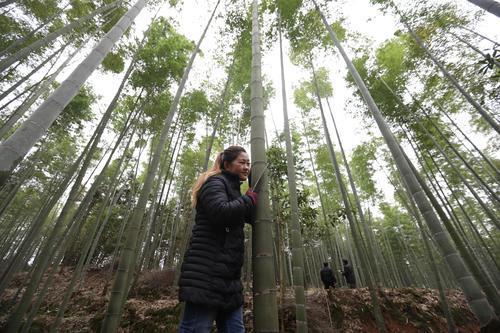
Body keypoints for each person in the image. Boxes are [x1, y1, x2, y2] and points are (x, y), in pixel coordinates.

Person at [178, 146, 258, 333]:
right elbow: (221, 212)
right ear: (227, 164)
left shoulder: (233, 189)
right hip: (206, 275)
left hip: (229, 279)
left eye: (248, 163)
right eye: (242, 162)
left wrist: (252, 201)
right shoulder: (215, 182)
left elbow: (243, 214)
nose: (247, 167)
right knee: (196, 328)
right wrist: (249, 199)